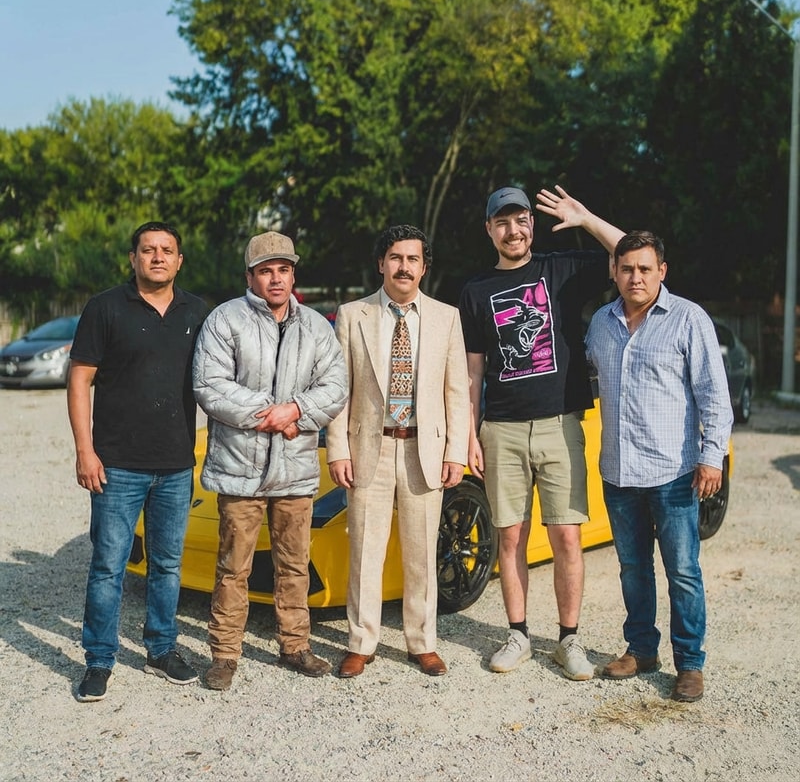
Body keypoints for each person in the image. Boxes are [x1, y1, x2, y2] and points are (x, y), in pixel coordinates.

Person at [458, 185, 624, 680]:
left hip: (560, 423)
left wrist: (586, 215)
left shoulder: (563, 270)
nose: (514, 230)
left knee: (567, 537)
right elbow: (472, 372)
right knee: (510, 538)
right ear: (490, 229)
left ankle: (568, 640)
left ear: (532, 223)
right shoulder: (475, 291)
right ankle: (518, 635)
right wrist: (471, 432)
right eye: (502, 222)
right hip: (502, 429)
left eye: (521, 219)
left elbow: (632, 255)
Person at [192, 231, 347, 690]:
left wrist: (296, 410)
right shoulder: (225, 320)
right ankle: (224, 653)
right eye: (266, 271)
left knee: (293, 564)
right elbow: (210, 385)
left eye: (283, 269)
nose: (275, 279)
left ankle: (295, 646)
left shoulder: (316, 326)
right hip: (240, 470)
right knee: (232, 567)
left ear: (293, 274)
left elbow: (335, 386)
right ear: (250, 277)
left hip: (295, 470)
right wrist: (270, 414)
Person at [586, 230, 733, 702]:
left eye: (645, 269)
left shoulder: (689, 319)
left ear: (661, 272)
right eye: (626, 268)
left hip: (673, 473)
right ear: (615, 271)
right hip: (619, 472)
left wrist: (712, 458)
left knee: (683, 571)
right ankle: (641, 649)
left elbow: (715, 395)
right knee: (633, 568)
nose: (635, 277)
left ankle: (689, 663)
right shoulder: (601, 324)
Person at [68, 221, 209, 703]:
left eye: (166, 250)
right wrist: (85, 451)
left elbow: (216, 382)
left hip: (175, 463)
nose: (157, 257)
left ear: (179, 260)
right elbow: (79, 380)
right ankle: (99, 660)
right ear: (133, 258)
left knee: (167, 565)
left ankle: (161, 648)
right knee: (108, 566)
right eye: (147, 250)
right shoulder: (105, 308)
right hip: (117, 464)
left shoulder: (197, 312)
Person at [326, 224, 470, 678]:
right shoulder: (353, 315)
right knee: (365, 550)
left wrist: (456, 452)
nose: (403, 266)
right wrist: (337, 449)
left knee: (422, 552)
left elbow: (456, 392)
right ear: (381, 264)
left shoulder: (446, 317)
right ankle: (361, 641)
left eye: (412, 259)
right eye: (395, 257)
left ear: (424, 267)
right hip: (370, 446)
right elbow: (337, 389)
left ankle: (422, 642)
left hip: (423, 451)